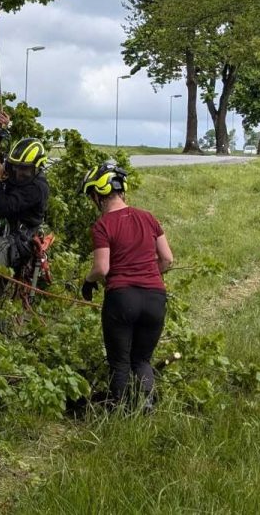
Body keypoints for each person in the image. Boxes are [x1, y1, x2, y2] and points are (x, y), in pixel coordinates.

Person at [79, 163, 174, 410]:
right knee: (142, 359)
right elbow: (167, 259)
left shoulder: (103, 225)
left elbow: (102, 268)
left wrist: (88, 282)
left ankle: (121, 412)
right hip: (155, 298)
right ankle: (145, 407)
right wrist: (150, 275)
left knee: (119, 362)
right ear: (122, 190)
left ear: (98, 195)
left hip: (121, 299)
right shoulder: (149, 218)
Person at [0, 111, 50, 329]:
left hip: (19, 241)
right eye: (14, 168)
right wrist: (0, 131)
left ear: (37, 168)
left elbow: (4, 207)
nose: (17, 174)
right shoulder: (17, 168)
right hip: (6, 234)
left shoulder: (37, 188)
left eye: (24, 171)